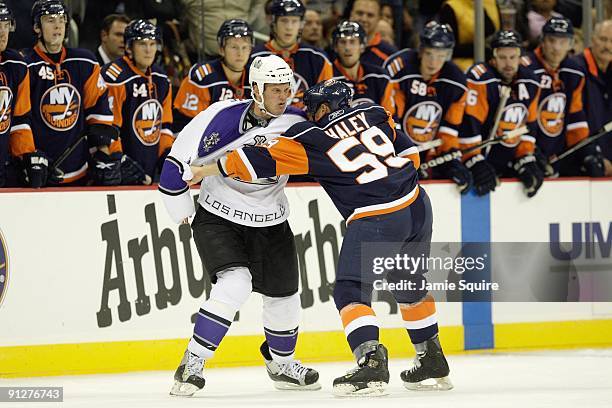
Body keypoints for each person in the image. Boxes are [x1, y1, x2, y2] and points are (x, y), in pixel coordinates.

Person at [188, 79, 454, 395]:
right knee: (407, 282)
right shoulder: (374, 112)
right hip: (417, 202)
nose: (311, 115)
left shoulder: (309, 137)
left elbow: (250, 162)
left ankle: (370, 362)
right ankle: (431, 358)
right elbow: (411, 154)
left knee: (350, 290)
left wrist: (203, 170)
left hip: (378, 214)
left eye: (314, 109)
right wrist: (389, 180)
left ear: (324, 108)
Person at [158, 55, 320, 396]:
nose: (283, 96)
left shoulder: (296, 122)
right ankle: (192, 361)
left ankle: (282, 363)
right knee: (235, 283)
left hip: (272, 220)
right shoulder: (218, 115)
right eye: (274, 89)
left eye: (286, 89)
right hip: (218, 216)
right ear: (256, 89)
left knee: (285, 296)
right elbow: (174, 168)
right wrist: (181, 210)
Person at [24, 0, 117, 186]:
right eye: (50, 20)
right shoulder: (24, 65)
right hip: (36, 172)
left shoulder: (85, 62)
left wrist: (103, 155)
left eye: (61, 19)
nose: (57, 25)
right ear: (37, 27)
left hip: (79, 171)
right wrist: (29, 157)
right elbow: (20, 119)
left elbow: (98, 114)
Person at [383, 21, 473, 194]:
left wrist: (451, 160)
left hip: (426, 153)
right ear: (421, 50)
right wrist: (404, 156)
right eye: (430, 54)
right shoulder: (399, 67)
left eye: (441, 56)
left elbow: (449, 131)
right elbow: (392, 120)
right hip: (392, 151)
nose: (433, 62)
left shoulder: (457, 81)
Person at [463, 30, 543, 197]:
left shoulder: (530, 81)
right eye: (503, 57)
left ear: (520, 57)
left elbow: (530, 126)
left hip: (506, 160)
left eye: (513, 57)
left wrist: (525, 156)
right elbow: (469, 125)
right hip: (479, 160)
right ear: (493, 58)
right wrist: (474, 161)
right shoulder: (481, 79)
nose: (508, 63)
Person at [522, 17, 605, 177]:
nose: (556, 48)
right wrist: (528, 151)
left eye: (563, 42)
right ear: (542, 41)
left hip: (556, 153)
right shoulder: (526, 69)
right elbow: (518, 116)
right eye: (551, 40)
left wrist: (587, 151)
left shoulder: (574, 71)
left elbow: (575, 117)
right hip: (526, 151)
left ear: (571, 44)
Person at [101, 19, 173, 183]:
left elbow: (165, 125)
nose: (148, 50)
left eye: (152, 44)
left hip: (150, 168)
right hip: (118, 168)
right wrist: (120, 159)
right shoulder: (114, 77)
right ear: (129, 47)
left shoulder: (161, 79)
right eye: (142, 44)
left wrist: (166, 156)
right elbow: (109, 128)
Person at [0, 1, 51, 188]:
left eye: (6, 25)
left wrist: (27, 156)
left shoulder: (16, 65)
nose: (2, 33)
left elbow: (19, 120)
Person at [173, 19, 254, 134]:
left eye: (244, 47)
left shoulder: (256, 77)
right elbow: (186, 125)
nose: (240, 53)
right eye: (234, 47)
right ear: (221, 49)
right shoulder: (202, 77)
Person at [251, 0, 332, 108]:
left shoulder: (318, 59)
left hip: (305, 123)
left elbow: (326, 103)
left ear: (301, 24)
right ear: (273, 22)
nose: (289, 27)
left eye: (294, 21)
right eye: (284, 21)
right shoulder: (255, 58)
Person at [572, 20, 612, 176]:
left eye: (611, 41)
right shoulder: (576, 69)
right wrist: (594, 156)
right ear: (592, 39)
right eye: (603, 39)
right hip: (582, 163)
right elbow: (574, 120)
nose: (607, 46)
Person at [330, 21, 394, 114]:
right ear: (335, 47)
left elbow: (390, 117)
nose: (347, 48)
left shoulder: (380, 77)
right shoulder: (327, 78)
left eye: (352, 42)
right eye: (343, 42)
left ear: (362, 46)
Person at [349, 0, 397, 66]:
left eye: (370, 15)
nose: (364, 19)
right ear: (351, 14)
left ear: (379, 19)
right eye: (360, 13)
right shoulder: (336, 49)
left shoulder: (390, 56)